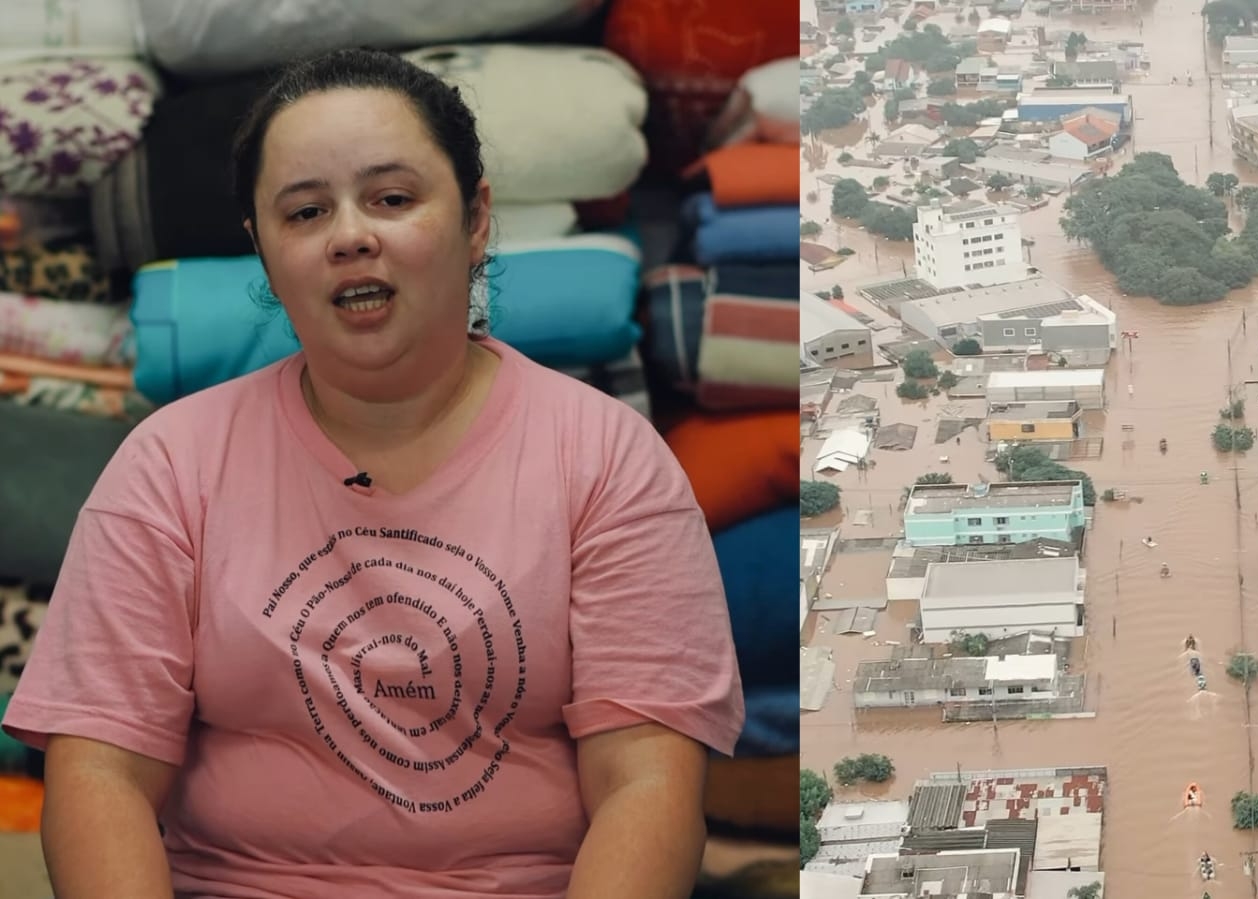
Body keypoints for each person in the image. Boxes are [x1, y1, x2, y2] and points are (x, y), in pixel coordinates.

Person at [2, 48, 743, 899]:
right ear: (264, 254)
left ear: (475, 221)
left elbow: (646, 783)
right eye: (306, 211)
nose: (350, 235)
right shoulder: (171, 462)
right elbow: (102, 773)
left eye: (392, 199)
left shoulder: (609, 459)